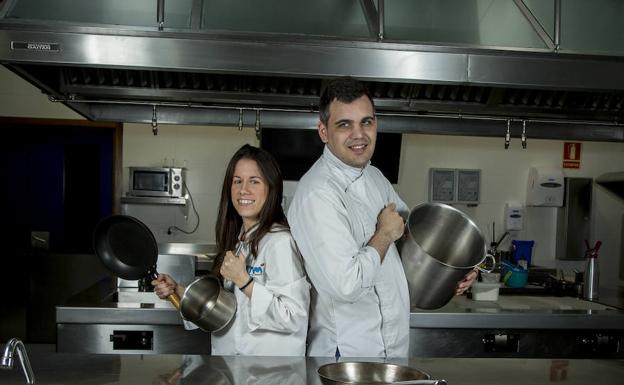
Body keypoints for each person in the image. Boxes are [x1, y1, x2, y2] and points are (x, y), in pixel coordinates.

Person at [287, 76, 477, 358]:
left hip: (390, 351)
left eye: (367, 122)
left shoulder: (374, 177)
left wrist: (454, 272)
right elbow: (346, 285)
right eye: (344, 124)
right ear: (323, 132)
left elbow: (411, 237)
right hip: (348, 357)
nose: (359, 134)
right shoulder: (317, 193)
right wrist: (384, 235)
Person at [153, 144, 310, 356]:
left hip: (270, 373)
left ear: (271, 188)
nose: (243, 189)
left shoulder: (279, 243)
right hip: (232, 369)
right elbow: (227, 311)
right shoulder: (239, 241)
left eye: (254, 181)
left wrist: (244, 282)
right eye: (237, 181)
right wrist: (180, 292)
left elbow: (294, 317)